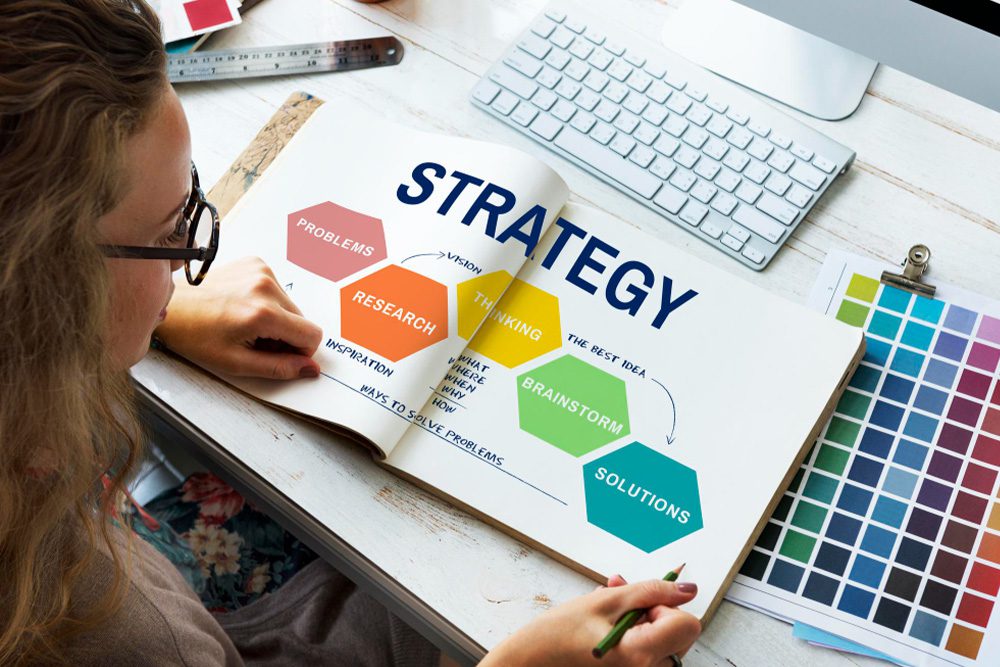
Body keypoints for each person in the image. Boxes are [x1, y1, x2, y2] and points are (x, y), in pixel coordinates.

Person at [0, 1, 702, 665]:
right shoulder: (129, 641)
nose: (191, 260)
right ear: (51, 301)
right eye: (165, 237)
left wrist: (161, 309)